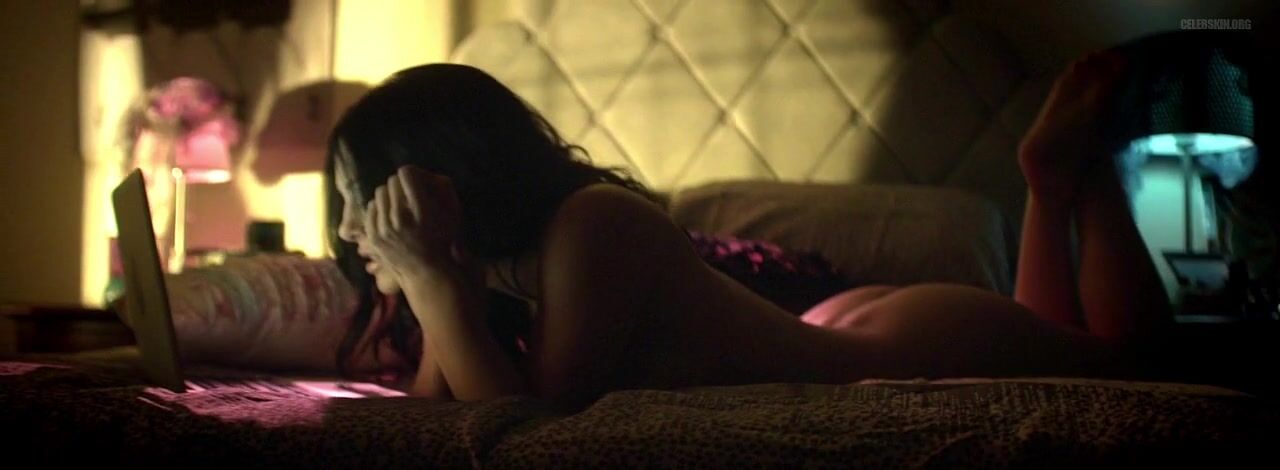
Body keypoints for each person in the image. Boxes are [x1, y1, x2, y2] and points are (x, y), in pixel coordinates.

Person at [325, 53, 1171, 406]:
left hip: (906, 343)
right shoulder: (497, 273)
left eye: (359, 197)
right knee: (1066, 346)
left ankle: (1076, 177)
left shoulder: (592, 224)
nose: (350, 227)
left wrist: (433, 281)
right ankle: (1051, 185)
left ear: (443, 171)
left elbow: (526, 428)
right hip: (841, 326)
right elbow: (435, 419)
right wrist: (438, 283)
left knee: (1129, 369)